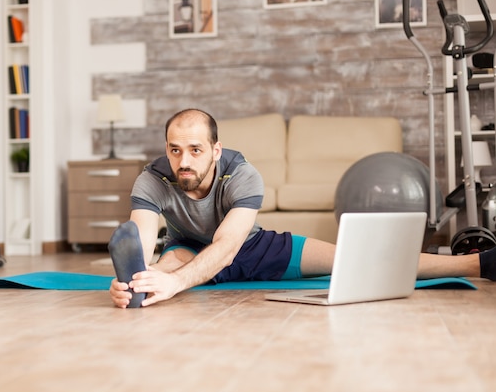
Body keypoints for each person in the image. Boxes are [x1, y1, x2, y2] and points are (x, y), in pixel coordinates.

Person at [109, 108, 496, 308]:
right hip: (188, 248)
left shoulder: (243, 175)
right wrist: (134, 280)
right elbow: (141, 237)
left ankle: (477, 264)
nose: (184, 161)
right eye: (175, 150)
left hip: (253, 247)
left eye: (195, 150)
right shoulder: (152, 178)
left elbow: (227, 248)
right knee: (157, 272)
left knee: (355, 257)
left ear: (216, 150)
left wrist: (177, 282)